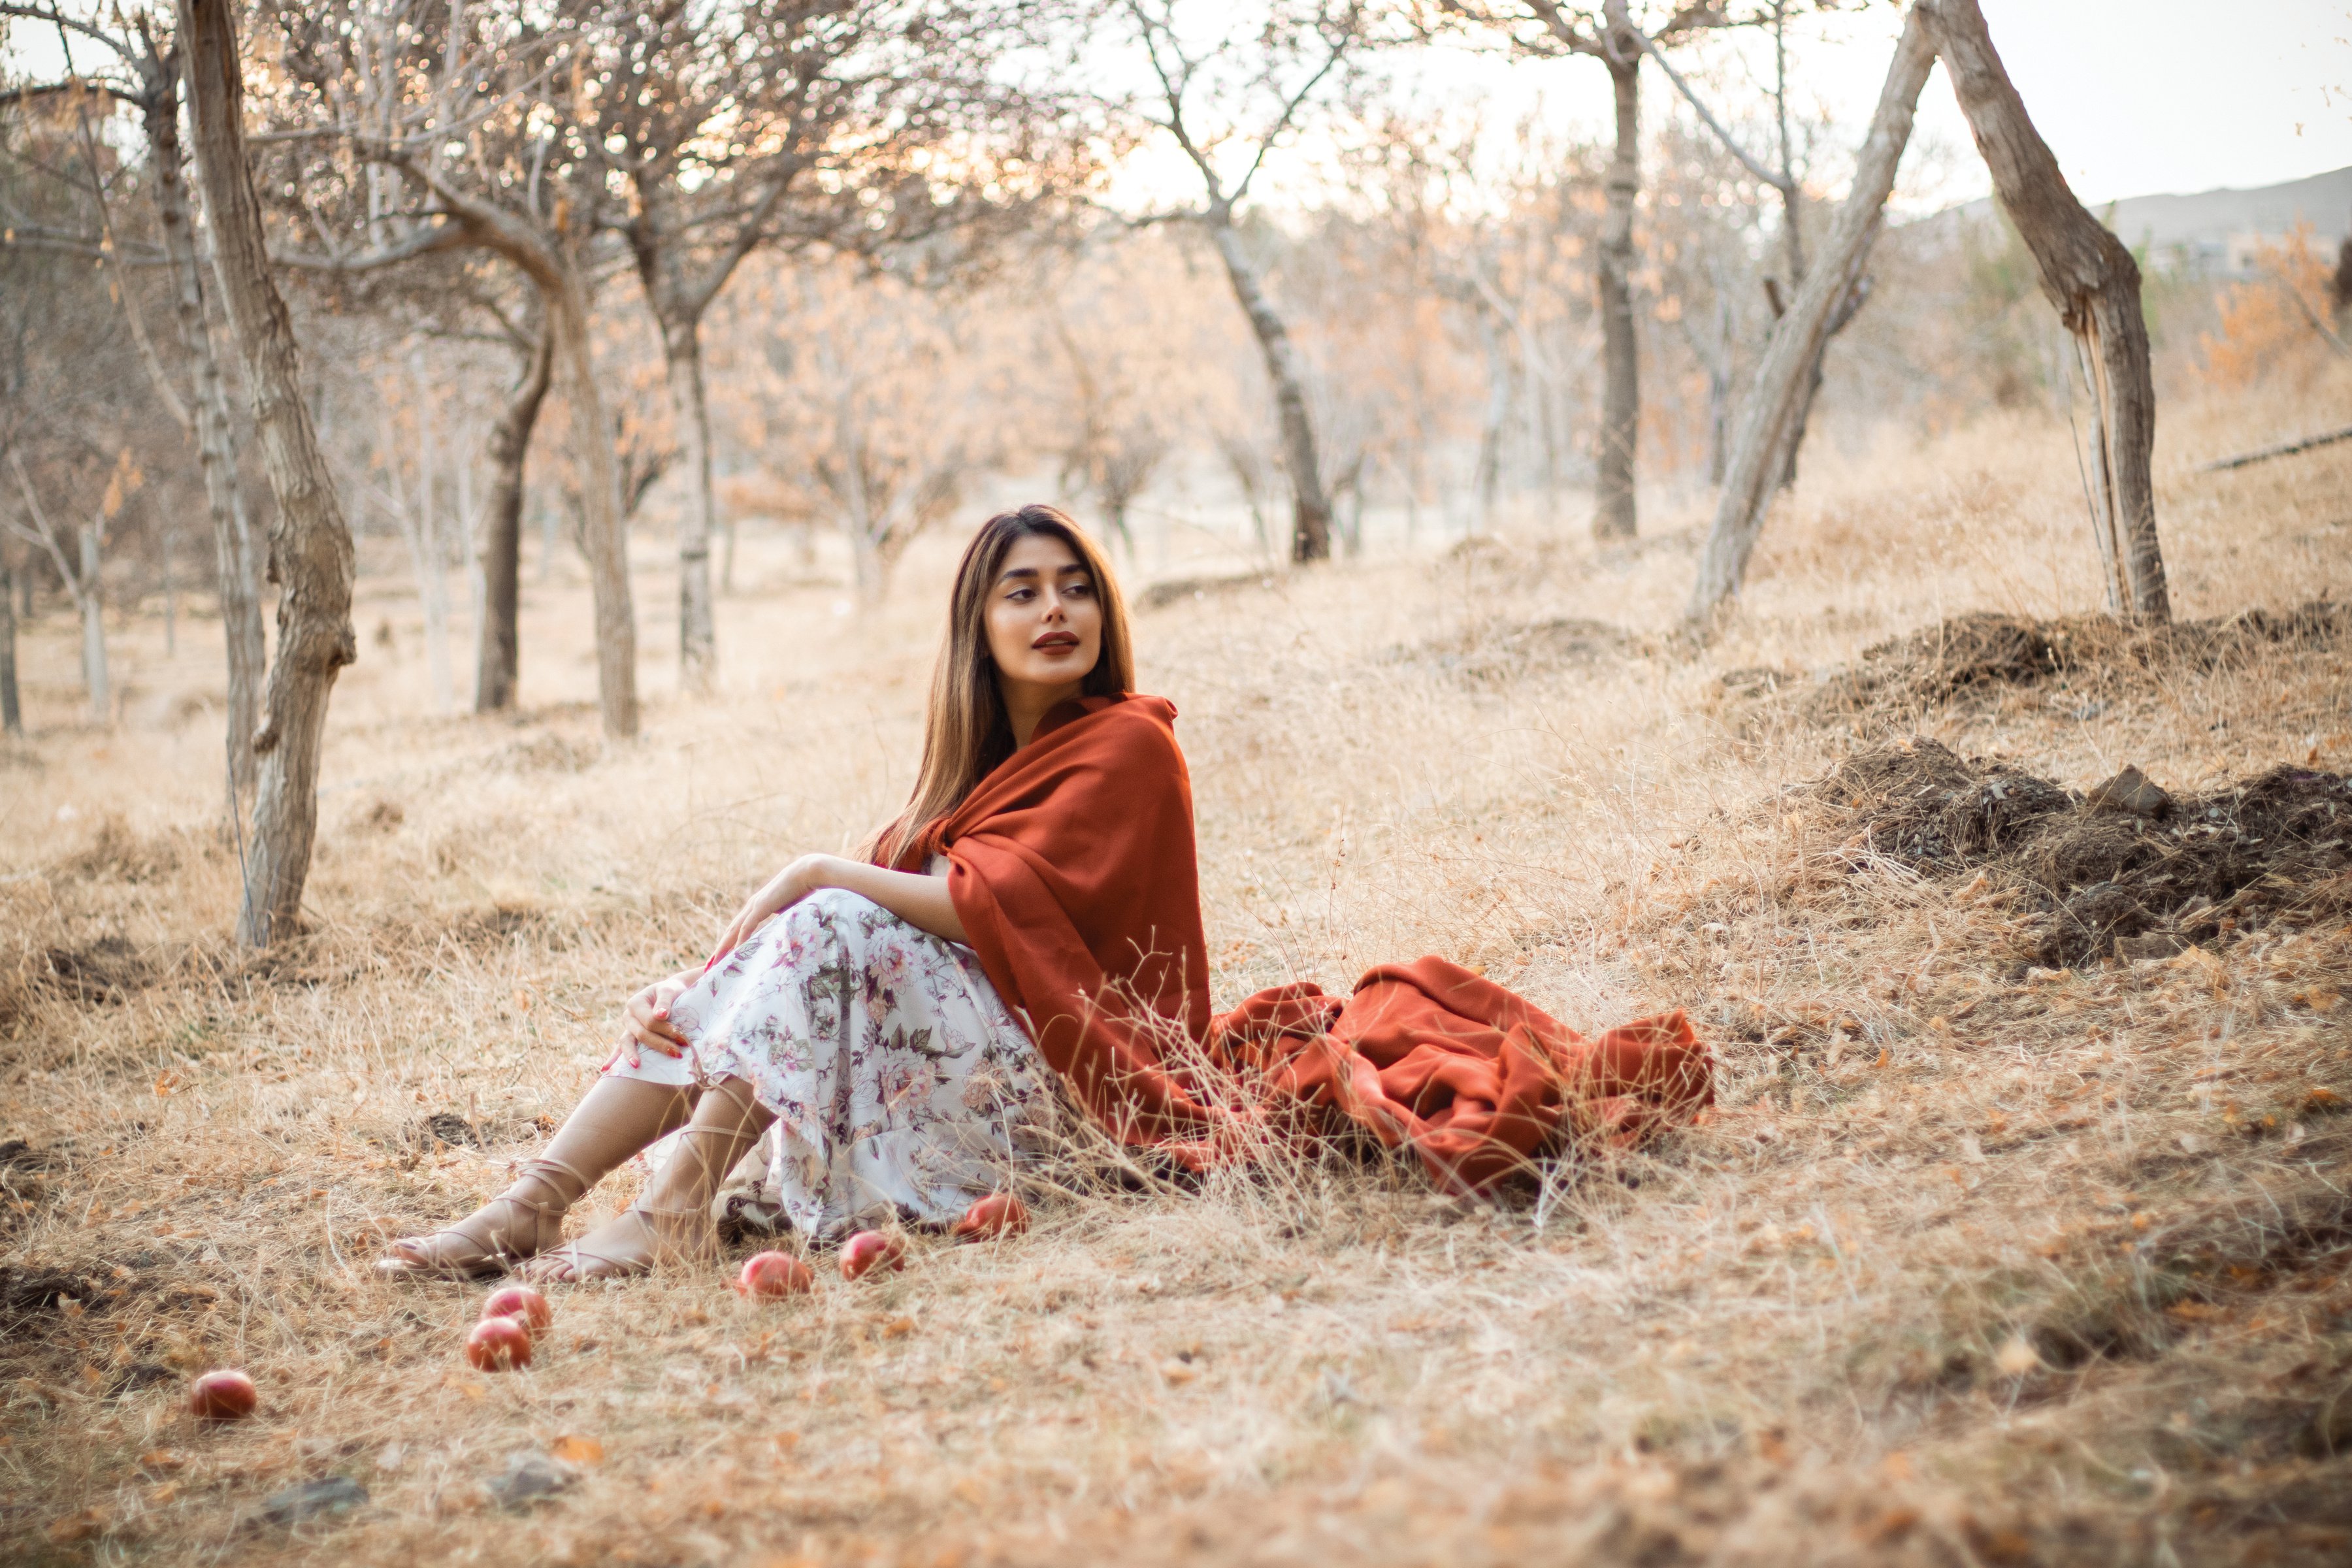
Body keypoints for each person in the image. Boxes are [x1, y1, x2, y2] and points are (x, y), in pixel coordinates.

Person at [380, 504, 1147, 1281]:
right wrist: (700, 987)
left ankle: (674, 1211)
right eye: (1022, 592)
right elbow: (848, 944)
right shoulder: (968, 777)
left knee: (835, 916)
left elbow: (995, 914)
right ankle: (533, 1205)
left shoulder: (1131, 742)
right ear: (977, 625)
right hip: (945, 1081)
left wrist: (817, 869)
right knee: (797, 950)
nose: (1054, 608)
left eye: (1076, 588)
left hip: (1063, 1096)